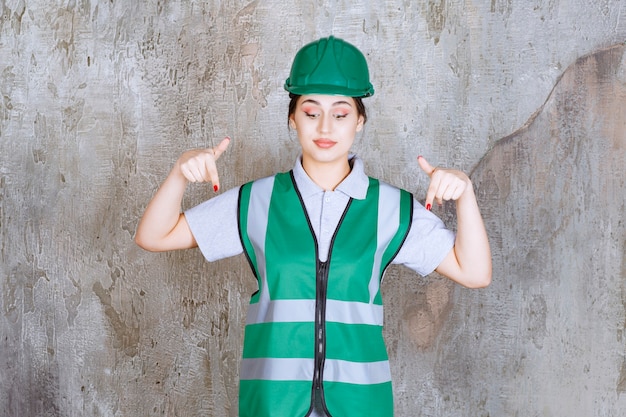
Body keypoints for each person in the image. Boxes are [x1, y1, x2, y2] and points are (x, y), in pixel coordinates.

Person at [135, 36, 491, 417]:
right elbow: (154, 236)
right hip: (272, 406)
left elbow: (474, 272)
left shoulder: (392, 208)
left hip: (360, 406)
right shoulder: (256, 201)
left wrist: (466, 195)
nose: (325, 126)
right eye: (310, 111)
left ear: (359, 120)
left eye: (340, 113)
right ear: (292, 118)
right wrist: (179, 173)